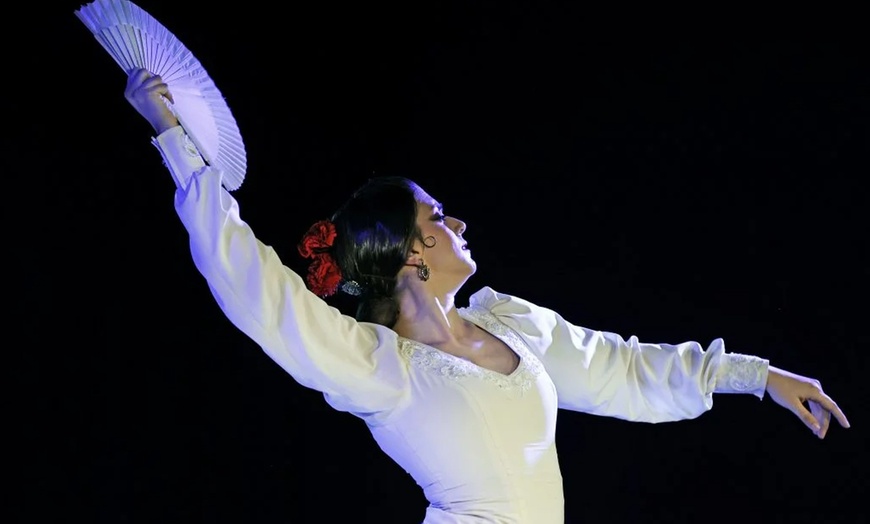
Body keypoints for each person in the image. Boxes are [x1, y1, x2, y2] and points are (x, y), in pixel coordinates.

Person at [123, 67, 850, 523]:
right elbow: (253, 286)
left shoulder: (511, 326)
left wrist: (755, 377)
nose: (459, 222)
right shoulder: (379, 366)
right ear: (412, 252)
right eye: (439, 216)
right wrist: (175, 140)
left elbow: (623, 368)